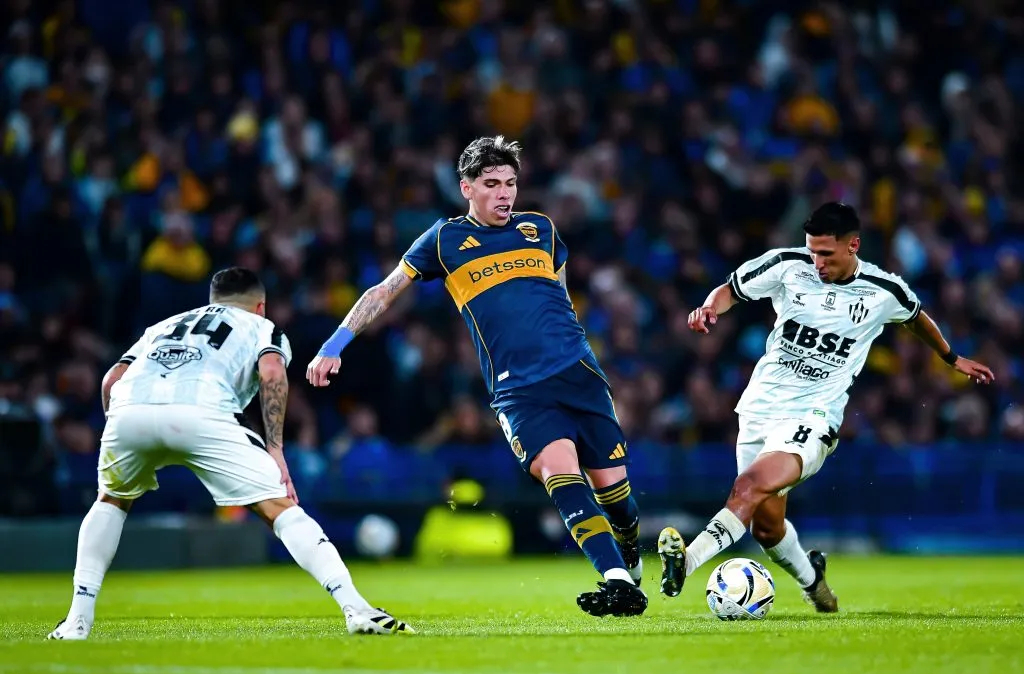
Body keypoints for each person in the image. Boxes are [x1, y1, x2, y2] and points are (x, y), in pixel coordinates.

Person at [307, 136, 646, 617]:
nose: (504, 193)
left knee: (618, 499)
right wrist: (333, 346)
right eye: (491, 184)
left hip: (578, 375)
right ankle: (616, 578)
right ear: (466, 187)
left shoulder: (541, 230)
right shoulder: (444, 240)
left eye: (510, 183)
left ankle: (628, 551)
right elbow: (384, 292)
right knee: (560, 472)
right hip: (519, 389)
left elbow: (562, 298)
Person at [658, 202, 995, 611]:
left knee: (747, 487)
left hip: (814, 415)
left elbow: (916, 317)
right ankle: (816, 584)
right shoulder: (786, 264)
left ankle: (685, 562)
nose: (817, 262)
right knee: (766, 528)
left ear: (853, 245)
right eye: (813, 251)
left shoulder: (883, 290)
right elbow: (732, 289)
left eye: (827, 254)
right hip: (760, 407)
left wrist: (951, 358)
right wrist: (711, 306)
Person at [48, 267, 414, 640]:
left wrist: (118, 429)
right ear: (260, 306)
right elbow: (272, 373)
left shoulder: (164, 325)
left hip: (129, 413)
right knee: (279, 508)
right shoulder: (262, 327)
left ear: (213, 299)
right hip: (201, 411)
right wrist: (275, 448)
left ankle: (77, 620)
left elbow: (112, 379)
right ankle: (356, 608)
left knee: (110, 501)